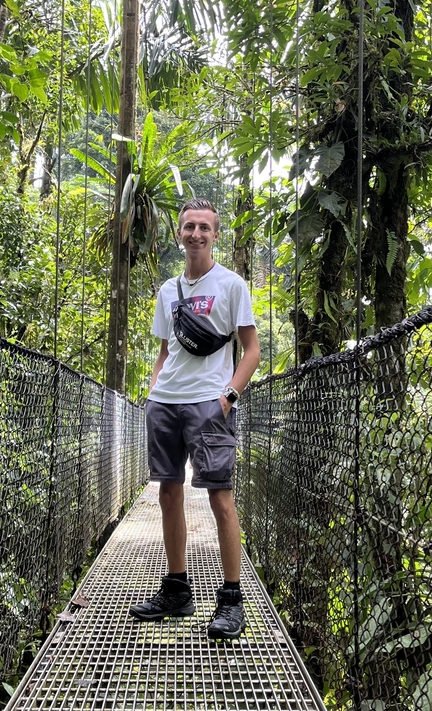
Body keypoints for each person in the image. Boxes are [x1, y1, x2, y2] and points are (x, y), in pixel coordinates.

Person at [128, 198, 260, 640]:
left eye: (205, 227)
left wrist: (227, 396)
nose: (196, 234)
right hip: (165, 402)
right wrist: (152, 392)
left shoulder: (232, 285)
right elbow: (166, 351)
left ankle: (231, 600)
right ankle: (177, 590)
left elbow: (252, 350)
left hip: (209, 403)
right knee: (168, 492)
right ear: (179, 234)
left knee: (220, 497)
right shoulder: (168, 291)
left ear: (216, 234)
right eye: (189, 227)